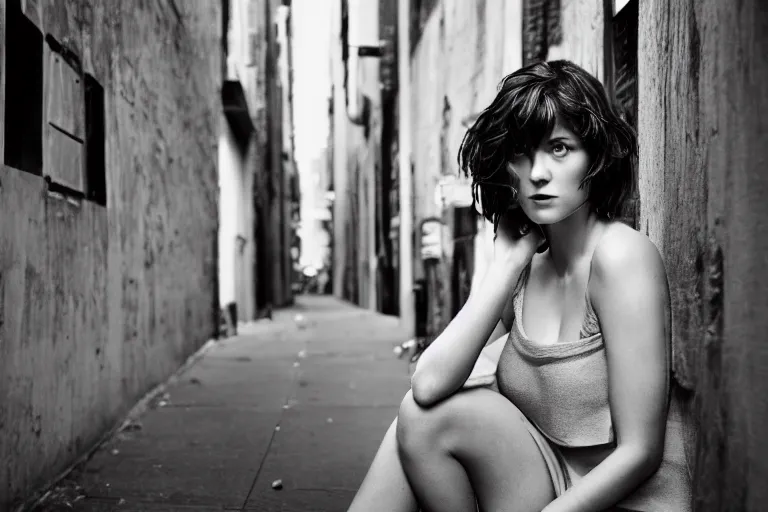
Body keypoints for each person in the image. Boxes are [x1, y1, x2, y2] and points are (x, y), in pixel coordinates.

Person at [347, 60, 691, 512]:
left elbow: (640, 453)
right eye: (521, 154)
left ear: (596, 156)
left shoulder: (621, 257)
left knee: (426, 421)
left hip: (617, 499)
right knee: (413, 423)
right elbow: (428, 384)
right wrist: (507, 264)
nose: (538, 173)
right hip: (545, 478)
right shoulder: (529, 269)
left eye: (560, 148)